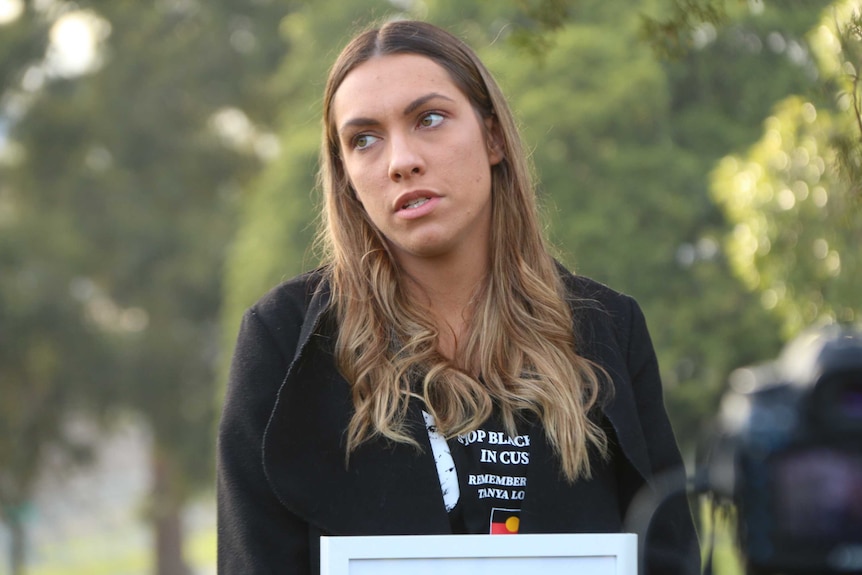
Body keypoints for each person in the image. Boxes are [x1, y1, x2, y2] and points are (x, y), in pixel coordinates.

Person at [217, 19, 699, 575]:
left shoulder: (607, 330)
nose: (401, 161)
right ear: (346, 175)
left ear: (493, 137)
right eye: (364, 139)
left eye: (430, 119)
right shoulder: (284, 341)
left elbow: (669, 551)